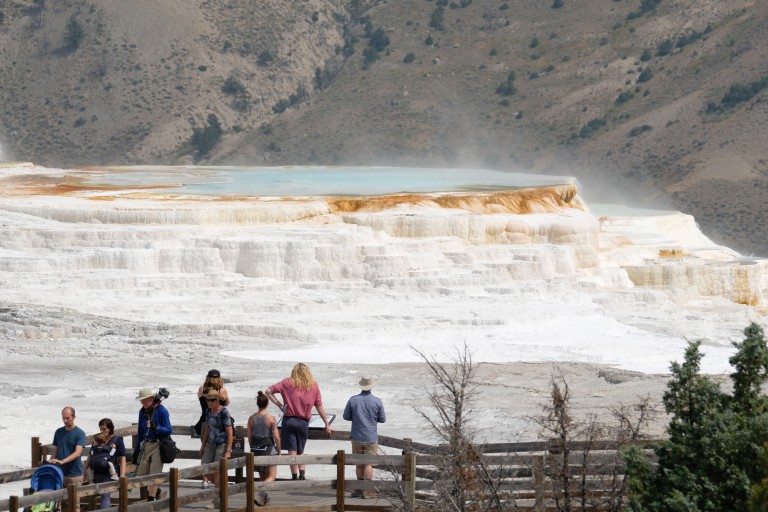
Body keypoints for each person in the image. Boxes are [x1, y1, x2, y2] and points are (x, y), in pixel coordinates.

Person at [265, 363, 332, 480]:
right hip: (303, 422)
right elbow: (319, 405)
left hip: (289, 420)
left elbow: (268, 391)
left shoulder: (287, 382)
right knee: (301, 450)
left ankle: (294, 476)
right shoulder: (313, 385)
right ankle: (302, 475)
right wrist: (326, 423)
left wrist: (280, 405)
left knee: (292, 450)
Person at [343, 375, 386, 499]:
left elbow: (346, 416)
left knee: (359, 463)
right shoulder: (377, 401)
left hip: (356, 436)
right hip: (371, 437)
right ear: (371, 386)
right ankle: (367, 491)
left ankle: (358, 489)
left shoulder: (353, 400)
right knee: (368, 464)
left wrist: (357, 417)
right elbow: (382, 419)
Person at [135, 387, 172, 501]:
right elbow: (140, 432)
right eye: (142, 400)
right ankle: (159, 491)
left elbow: (169, 430)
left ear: (151, 398)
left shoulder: (162, 411)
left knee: (154, 473)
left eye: (146, 400)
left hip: (158, 445)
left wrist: (157, 427)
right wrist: (137, 450)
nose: (143, 402)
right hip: (146, 444)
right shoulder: (142, 412)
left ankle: (151, 499)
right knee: (142, 474)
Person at [84, 418, 126, 509]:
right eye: (100, 429)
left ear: (110, 428)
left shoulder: (117, 439)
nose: (102, 431)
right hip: (97, 471)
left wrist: (122, 474)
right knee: (103, 495)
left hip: (110, 472)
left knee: (105, 494)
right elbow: (90, 455)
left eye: (104, 429)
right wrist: (84, 470)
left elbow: (123, 456)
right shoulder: (97, 439)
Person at [199, 389, 233, 499]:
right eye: (207, 400)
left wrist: (228, 450)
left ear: (218, 400)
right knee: (204, 467)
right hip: (210, 444)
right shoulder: (208, 412)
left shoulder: (224, 412)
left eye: (212, 400)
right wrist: (203, 445)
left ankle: (217, 498)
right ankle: (222, 487)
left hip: (221, 444)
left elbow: (230, 432)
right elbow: (207, 429)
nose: (209, 402)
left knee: (217, 470)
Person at [49, 406, 87, 488]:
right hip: (58, 473)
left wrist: (63, 461)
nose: (65, 420)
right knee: (59, 500)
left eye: (67, 418)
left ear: (74, 417)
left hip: (74, 475)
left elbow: (78, 453)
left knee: (73, 500)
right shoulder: (58, 432)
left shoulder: (80, 433)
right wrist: (51, 462)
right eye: (63, 418)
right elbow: (55, 449)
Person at [247, 391, 281, 483]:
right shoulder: (271, 418)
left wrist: (253, 447)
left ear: (257, 403)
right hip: (269, 449)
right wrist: (279, 450)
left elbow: (249, 437)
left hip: (256, 449)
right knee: (272, 476)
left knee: (263, 477)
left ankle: (263, 495)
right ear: (268, 403)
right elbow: (277, 437)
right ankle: (261, 492)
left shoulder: (251, 418)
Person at [195, 369, 230, 437]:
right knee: (220, 444)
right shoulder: (222, 390)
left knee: (205, 445)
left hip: (205, 420)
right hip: (219, 422)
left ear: (207, 378)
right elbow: (226, 403)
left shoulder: (202, 389)